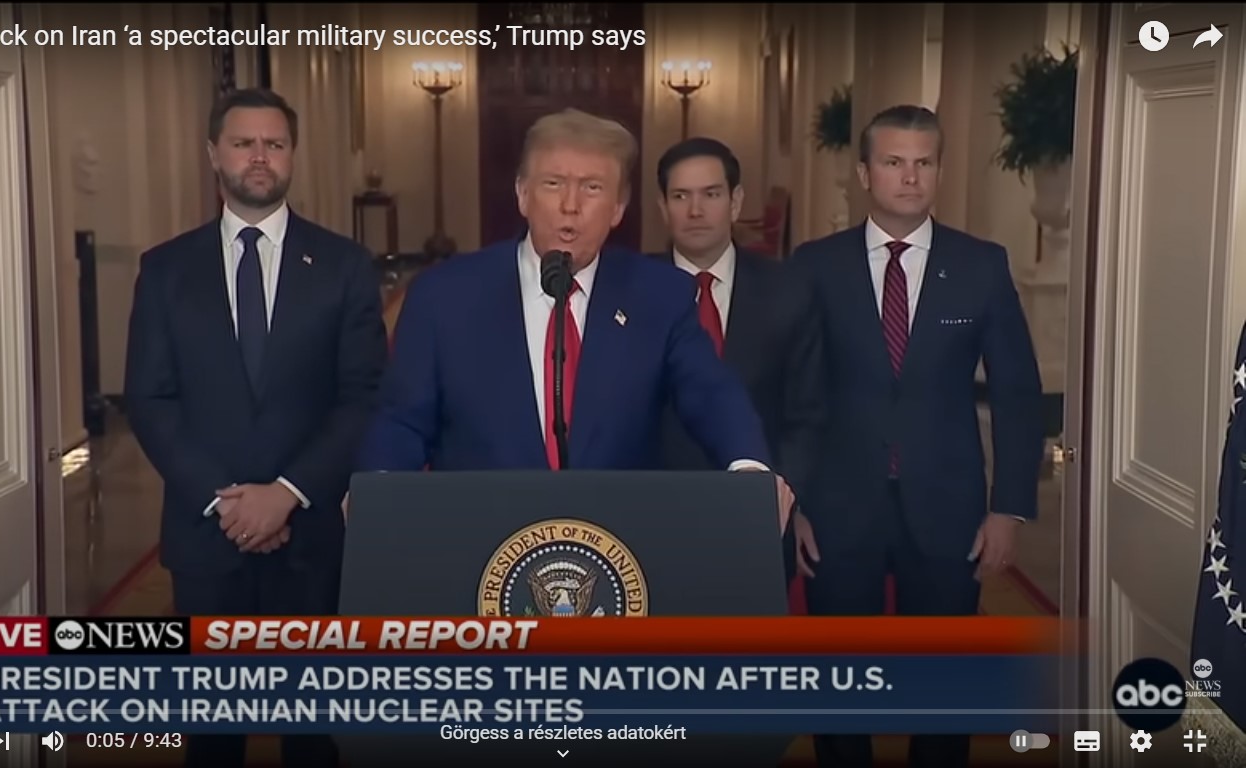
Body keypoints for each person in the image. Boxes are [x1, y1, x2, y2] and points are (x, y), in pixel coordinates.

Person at [355, 108, 793, 527]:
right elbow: (403, 420)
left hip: (617, 544)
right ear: (522, 195)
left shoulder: (659, 295)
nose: (570, 204)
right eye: (553, 184)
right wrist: (378, 489)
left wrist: (749, 469)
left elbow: (711, 393)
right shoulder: (444, 295)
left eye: (592, 188)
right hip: (481, 538)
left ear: (618, 208)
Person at [123, 87, 387, 768]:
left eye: (274, 143)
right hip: (207, 536)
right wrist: (228, 501)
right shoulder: (165, 270)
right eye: (244, 143)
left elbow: (363, 396)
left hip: (312, 537)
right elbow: (150, 399)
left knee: (313, 734)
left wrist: (287, 493)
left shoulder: (344, 265)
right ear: (214, 153)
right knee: (213, 737)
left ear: (292, 154)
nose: (260, 157)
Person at [790, 105, 1044, 768]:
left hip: (949, 508)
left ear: (938, 170)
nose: (910, 177)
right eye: (894, 162)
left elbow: (1017, 395)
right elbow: (790, 393)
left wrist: (1009, 507)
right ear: (864, 173)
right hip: (836, 509)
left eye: (923, 163)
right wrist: (793, 501)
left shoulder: (981, 265)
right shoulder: (814, 266)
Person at [651, 137, 824, 594]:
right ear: (662, 206)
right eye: (680, 196)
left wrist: (784, 499)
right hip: (651, 519)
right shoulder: (628, 291)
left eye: (710, 194)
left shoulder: (788, 290)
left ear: (736, 201)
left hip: (759, 519)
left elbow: (808, 414)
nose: (695, 210)